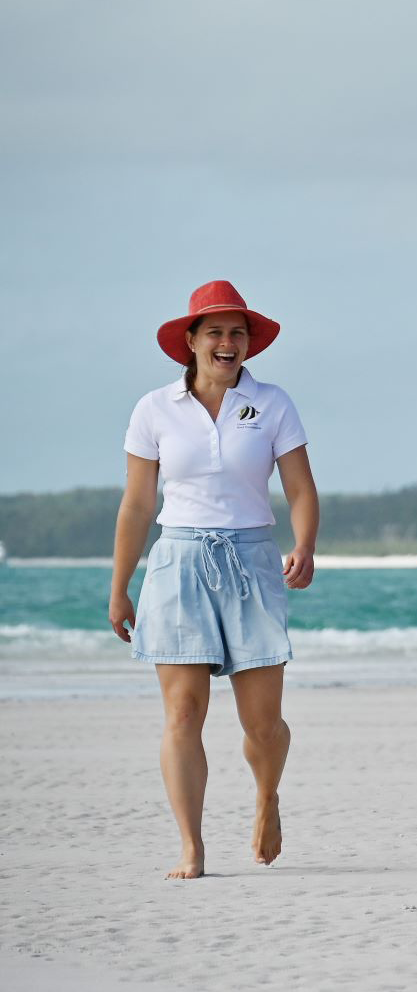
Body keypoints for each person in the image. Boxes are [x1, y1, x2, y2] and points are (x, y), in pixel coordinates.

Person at [109, 280, 320, 879]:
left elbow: (301, 488)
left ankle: (266, 798)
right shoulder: (153, 409)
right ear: (191, 341)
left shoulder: (273, 403)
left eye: (237, 333)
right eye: (216, 332)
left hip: (253, 558)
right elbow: (136, 505)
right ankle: (191, 846)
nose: (228, 343)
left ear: (248, 343)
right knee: (182, 713)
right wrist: (120, 585)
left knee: (262, 723)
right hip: (176, 561)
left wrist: (303, 545)